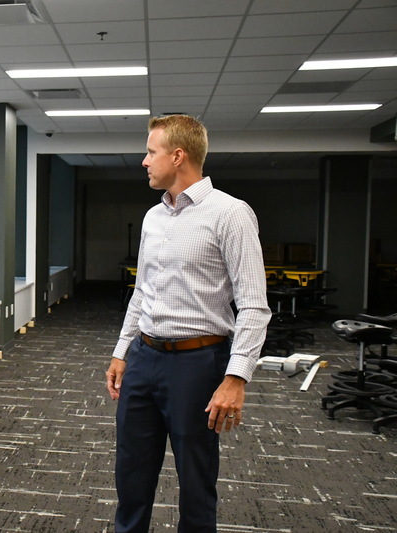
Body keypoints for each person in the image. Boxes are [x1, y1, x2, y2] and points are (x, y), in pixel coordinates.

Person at [105, 115, 271, 533]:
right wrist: (122, 351)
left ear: (178, 156)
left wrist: (236, 378)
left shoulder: (230, 214)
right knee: (130, 476)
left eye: (151, 152)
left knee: (196, 484)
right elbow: (142, 291)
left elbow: (254, 305)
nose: (144, 161)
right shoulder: (153, 217)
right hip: (144, 357)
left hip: (198, 364)